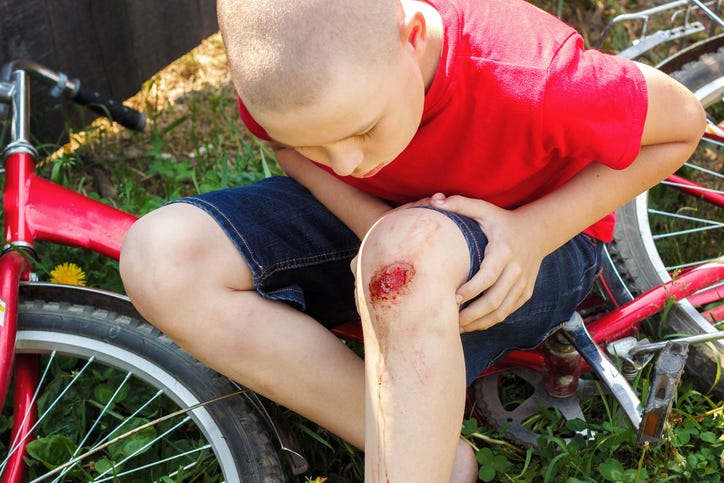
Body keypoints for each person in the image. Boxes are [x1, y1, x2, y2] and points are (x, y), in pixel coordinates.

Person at [119, 0, 705, 480]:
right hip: (388, 228)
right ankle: (430, 457)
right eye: (318, 142)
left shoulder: (531, 74)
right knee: (162, 257)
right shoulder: (293, 76)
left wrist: (534, 233)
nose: (347, 162)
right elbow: (290, 150)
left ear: (415, 37)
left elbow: (682, 123)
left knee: (405, 252)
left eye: (362, 129)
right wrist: (370, 220)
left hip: (530, 246)